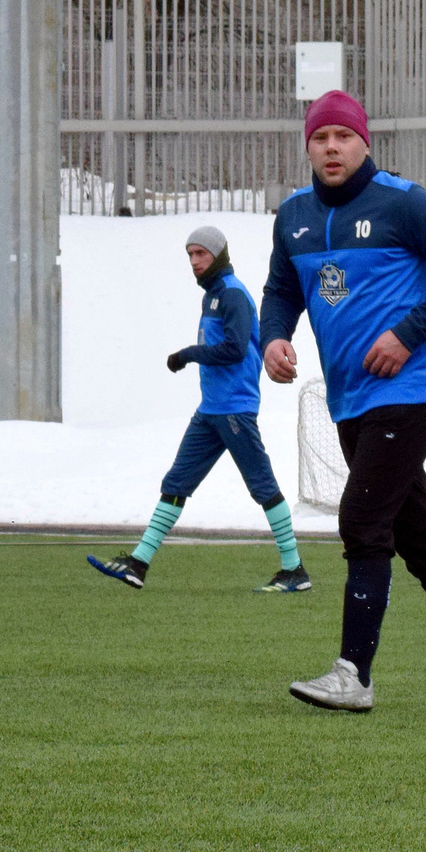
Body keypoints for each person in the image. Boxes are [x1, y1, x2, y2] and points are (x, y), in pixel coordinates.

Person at [260, 91, 426, 713]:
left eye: (343, 137)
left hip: (408, 395)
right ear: (307, 146)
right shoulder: (294, 217)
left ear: (364, 143)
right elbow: (280, 290)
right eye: (320, 138)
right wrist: (274, 337)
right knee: (416, 537)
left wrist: (408, 334)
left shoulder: (403, 202)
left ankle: (353, 674)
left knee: (361, 522)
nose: (331, 148)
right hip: (350, 402)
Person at [88, 226, 311, 594]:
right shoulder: (211, 296)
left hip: (234, 410)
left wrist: (188, 354)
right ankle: (139, 563)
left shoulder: (233, 295)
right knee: (176, 483)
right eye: (190, 255)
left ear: (218, 255)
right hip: (211, 410)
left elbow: (236, 350)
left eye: (201, 254)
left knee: (262, 486)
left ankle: (294, 569)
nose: (194, 261)